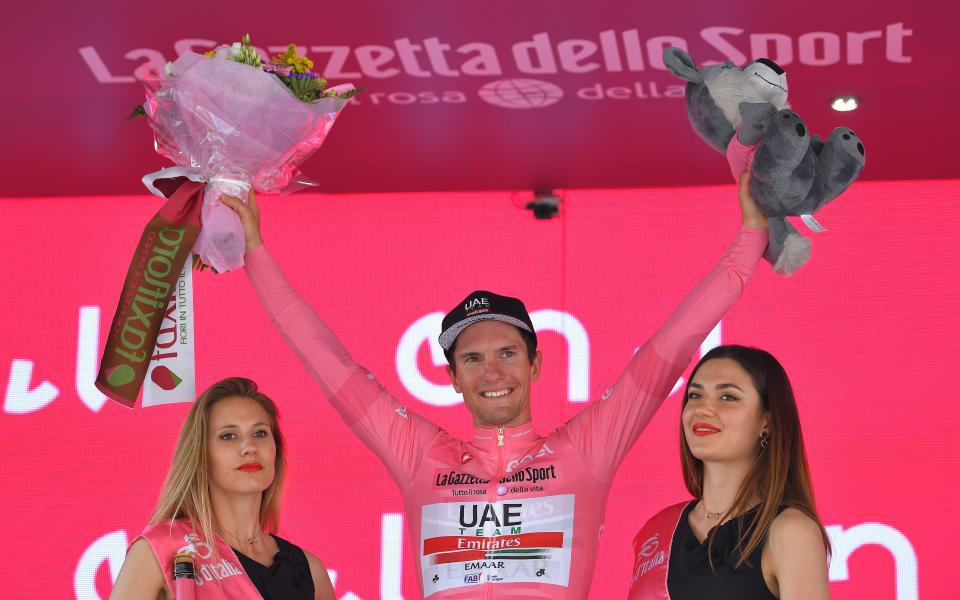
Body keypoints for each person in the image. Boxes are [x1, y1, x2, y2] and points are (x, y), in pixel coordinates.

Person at [219, 173, 769, 598]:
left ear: (535, 365)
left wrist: (751, 239)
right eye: (473, 360)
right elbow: (326, 359)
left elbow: (670, 348)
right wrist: (255, 252)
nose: (493, 374)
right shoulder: (420, 454)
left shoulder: (585, 450)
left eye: (508, 354)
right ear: (452, 378)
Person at [628, 345, 831, 600]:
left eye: (728, 397)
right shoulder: (656, 530)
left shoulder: (790, 531)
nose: (702, 409)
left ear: (766, 423)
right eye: (694, 395)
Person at [110, 377, 335, 599]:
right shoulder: (163, 550)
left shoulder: (310, 571)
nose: (249, 447)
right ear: (201, 454)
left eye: (260, 433)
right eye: (229, 436)